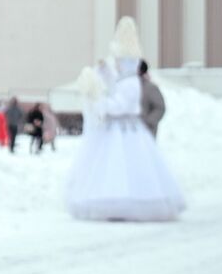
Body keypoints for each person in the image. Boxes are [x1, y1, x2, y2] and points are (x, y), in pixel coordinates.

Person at [66, 18, 186, 221]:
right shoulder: (126, 80)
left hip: (126, 130)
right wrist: (102, 73)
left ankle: (128, 202)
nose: (118, 65)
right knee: (115, 168)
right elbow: (114, 83)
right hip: (122, 130)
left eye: (119, 61)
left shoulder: (131, 84)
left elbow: (120, 106)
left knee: (124, 167)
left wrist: (99, 102)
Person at [139, 60, 166, 137]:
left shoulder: (150, 87)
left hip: (147, 134)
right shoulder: (130, 87)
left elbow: (160, 108)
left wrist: (147, 122)